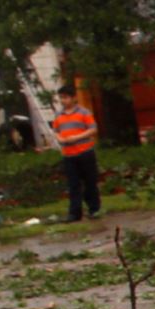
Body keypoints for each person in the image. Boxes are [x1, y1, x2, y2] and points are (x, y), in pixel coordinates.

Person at [53, 83, 101, 221]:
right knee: (73, 184)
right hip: (69, 154)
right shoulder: (59, 115)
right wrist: (61, 139)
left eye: (66, 98)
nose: (63, 101)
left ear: (74, 98)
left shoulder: (84, 112)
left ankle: (94, 209)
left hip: (85, 152)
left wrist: (77, 137)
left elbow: (93, 129)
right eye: (61, 98)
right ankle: (75, 213)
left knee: (90, 182)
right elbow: (56, 131)